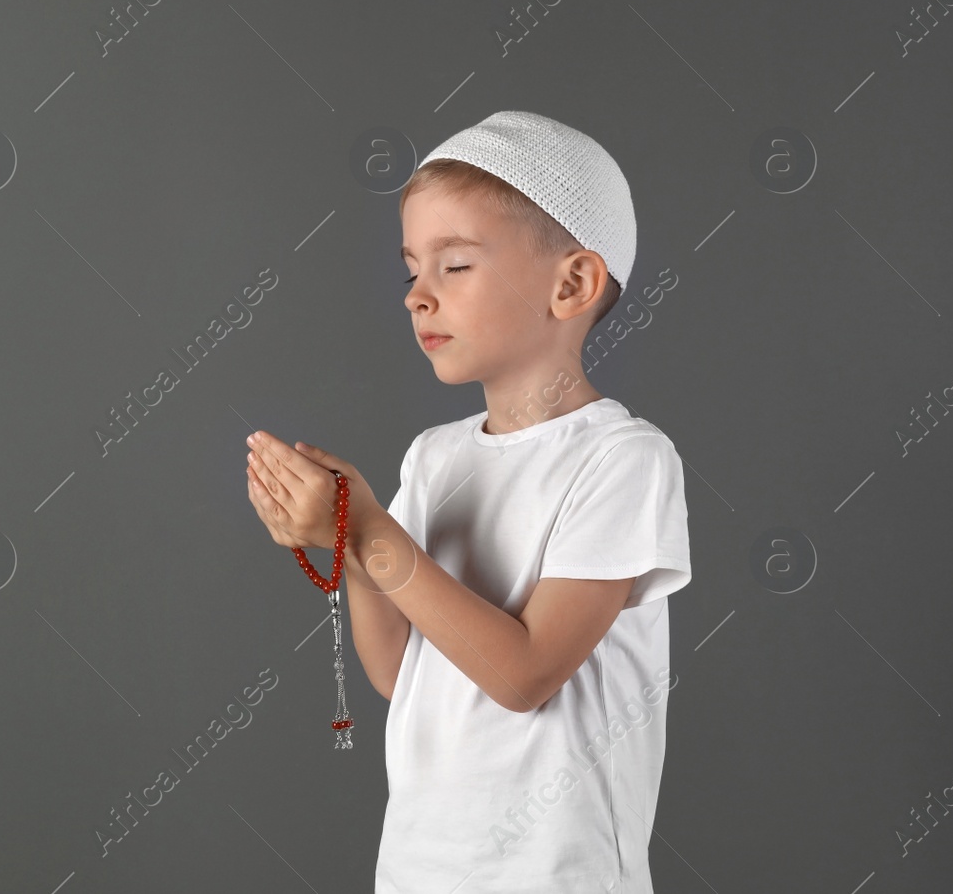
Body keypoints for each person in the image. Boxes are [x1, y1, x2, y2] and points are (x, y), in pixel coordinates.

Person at [245, 110, 693, 892]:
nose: (419, 296)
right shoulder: (436, 455)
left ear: (572, 284)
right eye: (411, 269)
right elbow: (399, 671)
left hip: (558, 873)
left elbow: (524, 675)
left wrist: (374, 527)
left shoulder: (623, 461)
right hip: (423, 868)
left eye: (454, 266)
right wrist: (349, 532)